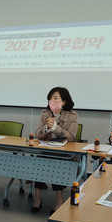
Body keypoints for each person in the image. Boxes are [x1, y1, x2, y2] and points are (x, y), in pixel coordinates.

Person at [32, 87, 78, 215]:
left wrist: (56, 128)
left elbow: (71, 137)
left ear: (64, 102)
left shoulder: (72, 116)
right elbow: (37, 134)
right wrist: (46, 129)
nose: (52, 101)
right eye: (50, 98)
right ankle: (37, 199)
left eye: (55, 98)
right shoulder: (45, 114)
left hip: (63, 152)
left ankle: (59, 200)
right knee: (39, 161)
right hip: (46, 150)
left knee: (56, 162)